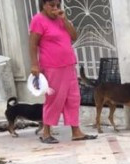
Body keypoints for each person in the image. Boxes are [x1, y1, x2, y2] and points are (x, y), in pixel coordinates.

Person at [29, 0, 95, 144]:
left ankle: (76, 131)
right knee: (55, 99)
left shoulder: (60, 19)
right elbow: (33, 43)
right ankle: (46, 132)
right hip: (52, 65)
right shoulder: (38, 20)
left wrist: (64, 19)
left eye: (58, 5)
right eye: (51, 5)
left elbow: (74, 36)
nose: (55, 8)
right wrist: (34, 64)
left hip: (68, 64)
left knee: (73, 98)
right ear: (44, 5)